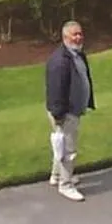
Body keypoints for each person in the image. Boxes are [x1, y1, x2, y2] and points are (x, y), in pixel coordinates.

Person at [43, 20, 95, 201]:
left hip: (72, 109)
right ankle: (65, 185)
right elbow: (55, 90)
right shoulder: (60, 62)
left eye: (80, 33)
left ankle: (56, 176)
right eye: (75, 34)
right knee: (68, 150)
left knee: (61, 145)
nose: (79, 37)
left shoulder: (77, 54)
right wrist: (59, 115)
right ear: (65, 37)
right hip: (65, 112)